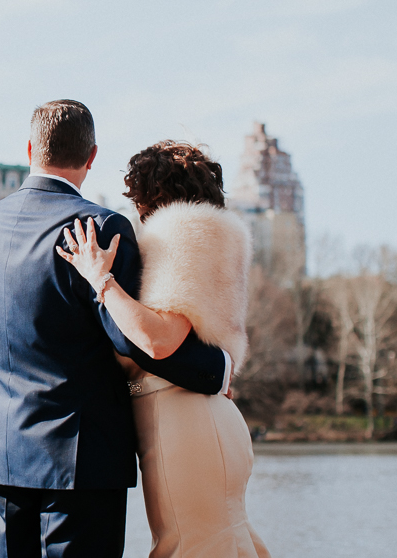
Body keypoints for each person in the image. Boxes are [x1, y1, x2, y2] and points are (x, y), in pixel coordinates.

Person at [0, 100, 232, 558]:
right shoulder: (99, 227)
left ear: (29, 149)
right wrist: (215, 369)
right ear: (92, 155)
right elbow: (134, 342)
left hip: (4, 448)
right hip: (82, 455)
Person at [57, 140, 270, 558]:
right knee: (223, 541)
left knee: (188, 546)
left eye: (136, 198)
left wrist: (101, 279)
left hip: (182, 421)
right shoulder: (214, 236)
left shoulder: (182, 233)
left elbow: (159, 339)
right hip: (205, 417)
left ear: (150, 194)